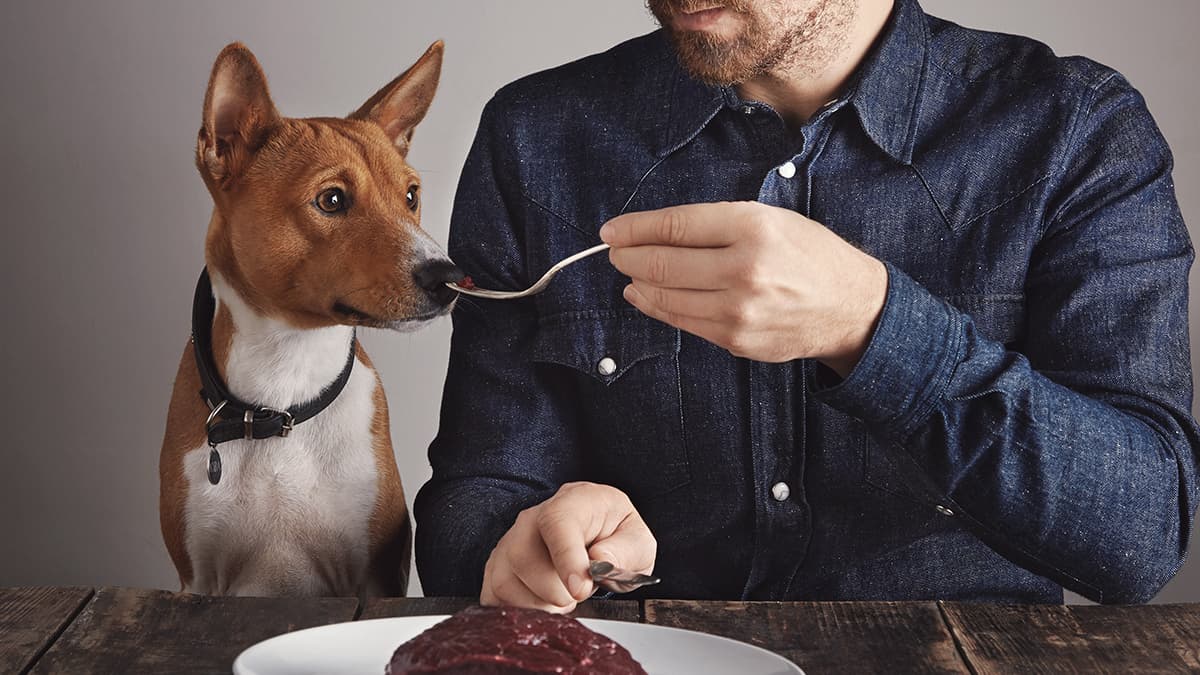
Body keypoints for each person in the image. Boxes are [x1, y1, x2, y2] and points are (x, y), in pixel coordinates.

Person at [415, 0, 1200, 611]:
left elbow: (1141, 537)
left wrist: (873, 327)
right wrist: (516, 546)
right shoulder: (537, 137)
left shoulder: (1076, 131)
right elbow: (474, 495)